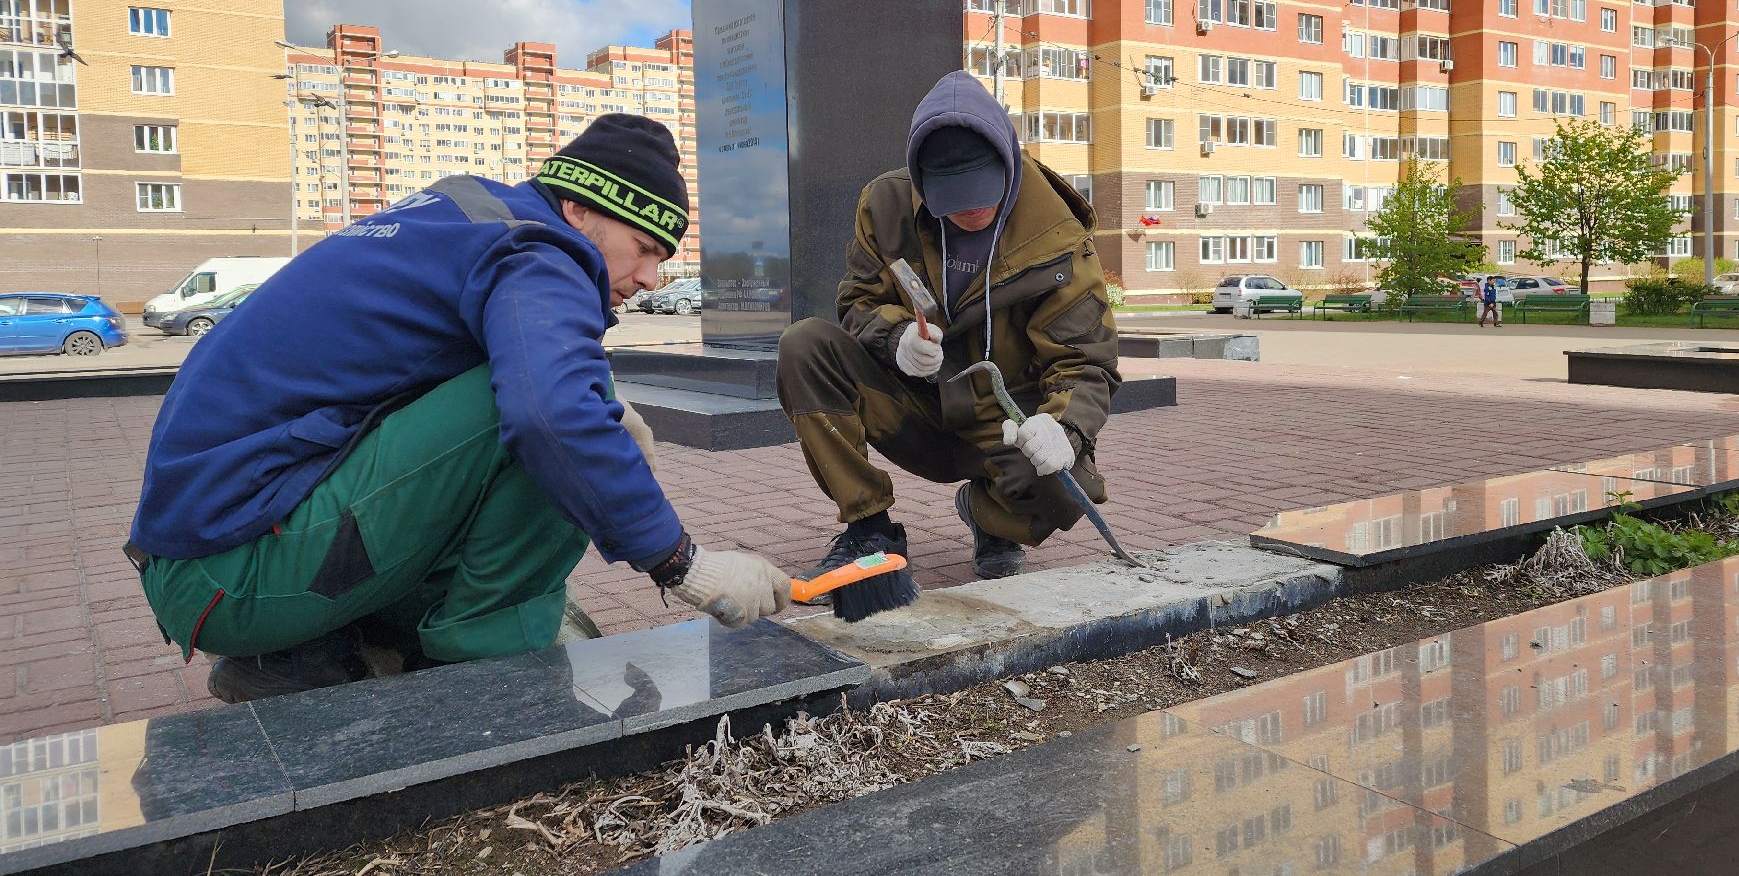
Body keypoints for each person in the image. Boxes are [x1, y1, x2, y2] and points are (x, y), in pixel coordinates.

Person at [126, 115, 792, 703]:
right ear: (579, 209)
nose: (651, 278)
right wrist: (685, 565)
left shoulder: (471, 216)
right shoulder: (541, 251)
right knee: (552, 417)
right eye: (646, 249)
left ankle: (317, 653)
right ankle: (490, 674)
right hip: (237, 574)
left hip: (209, 558)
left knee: (569, 408)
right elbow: (549, 418)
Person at [776, 70, 1120, 580]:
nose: (972, 210)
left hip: (1004, 419)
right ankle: (869, 527)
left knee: (1061, 484)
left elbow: (1086, 359)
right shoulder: (885, 206)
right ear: (920, 181)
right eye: (952, 198)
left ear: (1007, 160)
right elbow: (858, 300)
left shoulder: (1056, 236)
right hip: (914, 406)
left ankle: (989, 518)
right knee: (803, 345)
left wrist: (1064, 428)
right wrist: (897, 341)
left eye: (982, 191)